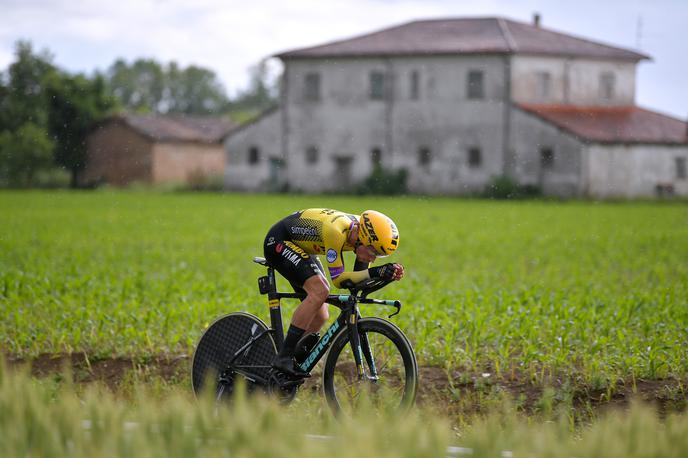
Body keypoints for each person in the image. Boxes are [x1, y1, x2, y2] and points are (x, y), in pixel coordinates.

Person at [264, 208, 404, 377]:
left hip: (301, 246)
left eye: (379, 256)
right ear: (362, 238)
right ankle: (283, 357)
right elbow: (339, 280)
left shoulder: (360, 232)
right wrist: (376, 271)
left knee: (321, 314)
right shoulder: (336, 232)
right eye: (374, 252)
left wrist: (387, 275)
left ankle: (288, 367)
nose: (373, 259)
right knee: (320, 291)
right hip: (279, 241)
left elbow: (356, 283)